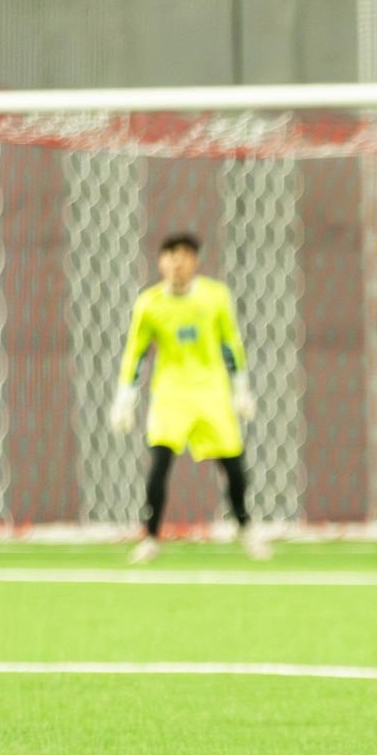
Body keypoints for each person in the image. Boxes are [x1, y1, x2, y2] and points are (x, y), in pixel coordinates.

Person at [110, 233, 270, 564]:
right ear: (161, 263)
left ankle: (244, 525)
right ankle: (151, 537)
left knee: (234, 467)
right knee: (159, 465)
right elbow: (135, 354)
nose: (177, 263)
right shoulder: (150, 304)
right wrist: (125, 399)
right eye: (170, 256)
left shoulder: (215, 297)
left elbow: (231, 344)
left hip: (211, 392)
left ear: (194, 261)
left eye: (183, 255)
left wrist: (241, 389)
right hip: (171, 395)